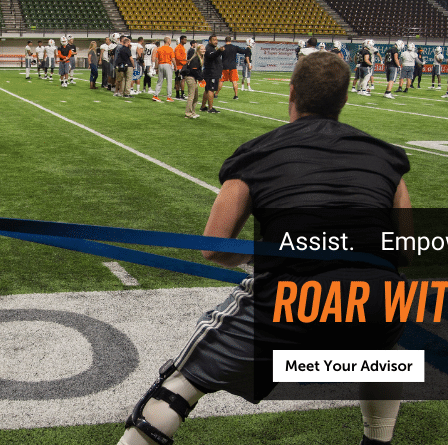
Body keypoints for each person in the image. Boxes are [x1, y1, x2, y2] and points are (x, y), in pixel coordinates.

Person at [116, 50, 410, 445]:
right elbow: (405, 247)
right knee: (383, 355)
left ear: (291, 92)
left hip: (294, 298)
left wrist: (271, 253)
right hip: (379, 299)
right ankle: (378, 440)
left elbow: (213, 247)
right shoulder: (386, 157)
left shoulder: (258, 153)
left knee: (179, 384)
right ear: (344, 98)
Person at [221, 36, 252, 100]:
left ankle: (216, 94)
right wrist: (248, 47)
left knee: (221, 80)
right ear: (230, 41)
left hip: (224, 66)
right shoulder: (234, 47)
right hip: (233, 66)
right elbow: (244, 51)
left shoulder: (223, 48)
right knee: (234, 81)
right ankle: (236, 95)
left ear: (225, 41)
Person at [201, 35, 225, 113]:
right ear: (210, 41)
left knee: (207, 90)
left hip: (210, 72)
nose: (216, 41)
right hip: (211, 72)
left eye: (216, 40)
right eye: (214, 40)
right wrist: (219, 51)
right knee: (211, 90)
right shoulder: (209, 49)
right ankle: (210, 108)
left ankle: (203, 106)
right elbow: (212, 56)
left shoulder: (212, 48)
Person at [182, 44, 205, 118]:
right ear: (198, 50)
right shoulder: (196, 59)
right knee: (191, 96)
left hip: (193, 77)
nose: (203, 50)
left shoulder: (199, 58)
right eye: (201, 49)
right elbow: (194, 70)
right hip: (190, 77)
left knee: (195, 96)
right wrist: (201, 78)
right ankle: (188, 113)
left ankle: (193, 112)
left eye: (204, 49)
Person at [154, 36, 175, 102]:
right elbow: (173, 59)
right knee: (169, 81)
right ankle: (169, 97)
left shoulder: (159, 49)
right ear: (168, 41)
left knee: (159, 81)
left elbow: (156, 59)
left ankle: (155, 95)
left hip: (160, 65)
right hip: (167, 64)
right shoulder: (170, 49)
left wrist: (156, 67)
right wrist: (176, 66)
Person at [174, 35, 188, 99]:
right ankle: (181, 94)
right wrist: (184, 62)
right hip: (179, 66)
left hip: (181, 66)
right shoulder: (178, 48)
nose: (186, 41)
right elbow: (178, 58)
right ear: (181, 40)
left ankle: (178, 94)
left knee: (179, 80)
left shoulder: (182, 47)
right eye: (184, 39)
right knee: (181, 80)